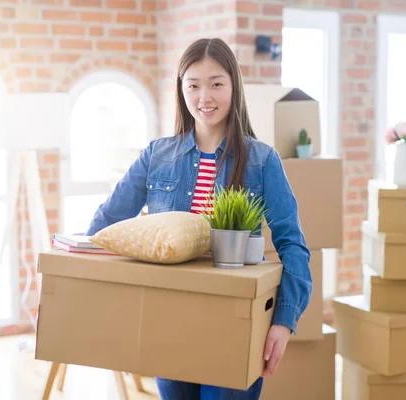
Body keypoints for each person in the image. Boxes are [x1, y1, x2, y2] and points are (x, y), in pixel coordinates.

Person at [85, 37, 312, 400]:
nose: (204, 97)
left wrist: (284, 322)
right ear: (181, 89)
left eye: (216, 84)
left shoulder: (262, 160)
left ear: (234, 87)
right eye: (193, 85)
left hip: (236, 323)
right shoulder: (156, 155)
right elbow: (107, 222)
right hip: (168, 318)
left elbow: (293, 245)